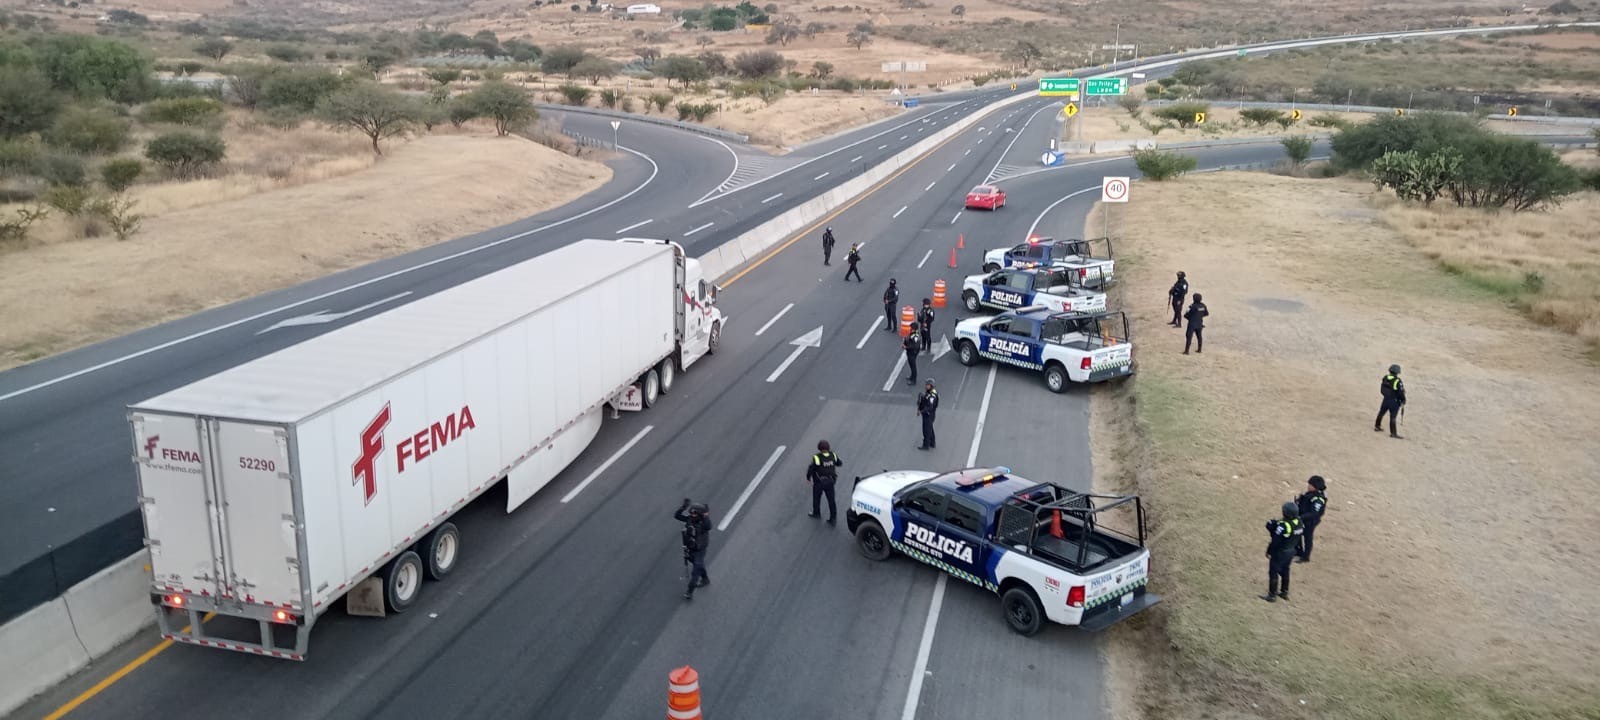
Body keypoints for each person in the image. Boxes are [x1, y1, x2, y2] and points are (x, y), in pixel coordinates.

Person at [1263, 501, 1302, 602]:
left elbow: (1276, 540)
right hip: (1291, 551)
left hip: (1280, 552)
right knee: (1285, 570)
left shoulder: (1283, 526)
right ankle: (1284, 592)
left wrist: (1269, 550)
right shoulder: (1299, 522)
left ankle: (1272, 595)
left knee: (1273, 572)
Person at [675, 499, 712, 600]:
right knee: (698, 564)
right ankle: (705, 579)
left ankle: (689, 591)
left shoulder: (704, 524)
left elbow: (709, 526)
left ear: (700, 514)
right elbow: (677, 516)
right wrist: (683, 507)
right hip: (690, 548)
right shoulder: (689, 519)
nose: (692, 515)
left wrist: (706, 515)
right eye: (691, 513)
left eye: (694, 513)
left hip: (700, 549)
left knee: (695, 570)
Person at [806, 440, 844, 524]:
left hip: (819, 482)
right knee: (831, 500)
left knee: (816, 498)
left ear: (819, 448)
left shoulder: (817, 457)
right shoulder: (833, 455)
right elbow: (839, 463)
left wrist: (808, 478)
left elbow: (811, 469)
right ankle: (833, 519)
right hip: (831, 481)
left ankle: (816, 513)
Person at [1295, 475, 1328, 563]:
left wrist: (1300, 517)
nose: (1308, 486)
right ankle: (1298, 551)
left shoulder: (1318, 499)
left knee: (1307, 538)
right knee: (1297, 534)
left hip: (1310, 522)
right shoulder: (1310, 494)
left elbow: (1314, 513)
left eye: (1310, 485)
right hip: (1303, 518)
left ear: (1316, 487)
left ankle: (1305, 557)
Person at [1374, 364, 1406, 439]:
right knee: (1393, 417)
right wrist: (1403, 400)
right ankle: (1393, 433)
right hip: (1394, 401)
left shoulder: (1385, 378)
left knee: (1381, 412)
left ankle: (1377, 426)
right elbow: (1400, 392)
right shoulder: (1397, 381)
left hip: (1386, 399)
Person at [916, 379, 939, 450]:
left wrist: (921, 411)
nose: (926, 386)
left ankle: (926, 445)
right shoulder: (929, 392)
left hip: (929, 414)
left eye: (927, 385)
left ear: (931, 386)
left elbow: (930, 406)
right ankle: (932, 443)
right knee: (930, 428)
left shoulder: (932, 395)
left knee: (926, 430)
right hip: (927, 413)